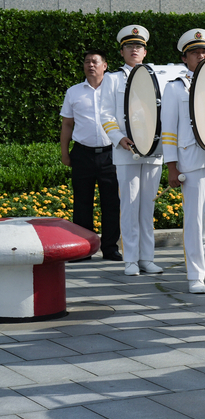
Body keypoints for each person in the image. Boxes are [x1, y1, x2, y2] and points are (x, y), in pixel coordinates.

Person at [161, 29, 205, 294]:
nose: (201, 56)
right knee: (194, 221)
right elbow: (168, 128)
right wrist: (171, 165)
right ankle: (195, 275)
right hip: (191, 160)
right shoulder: (175, 87)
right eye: (195, 52)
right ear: (185, 58)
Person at [99, 25, 164, 277]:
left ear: (145, 51)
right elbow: (105, 114)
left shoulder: (157, 76)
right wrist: (118, 137)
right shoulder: (113, 79)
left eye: (138, 47)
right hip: (126, 150)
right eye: (129, 46)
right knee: (129, 204)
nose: (134, 50)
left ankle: (147, 258)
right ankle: (131, 260)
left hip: (153, 150)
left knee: (147, 205)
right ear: (122, 51)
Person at [60, 49, 121, 261]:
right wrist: (64, 152)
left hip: (110, 154)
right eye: (87, 62)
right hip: (82, 153)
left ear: (105, 65)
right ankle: (83, 249)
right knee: (82, 202)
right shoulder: (74, 92)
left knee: (111, 203)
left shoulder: (116, 91)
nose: (91, 65)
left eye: (95, 62)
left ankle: (110, 248)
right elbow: (67, 124)